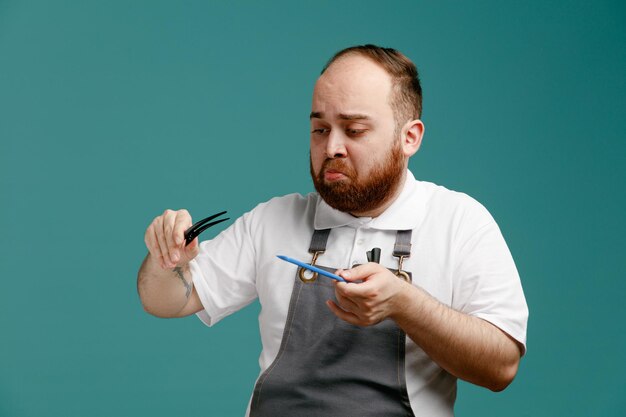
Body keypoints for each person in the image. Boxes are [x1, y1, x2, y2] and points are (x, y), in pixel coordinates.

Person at [137, 44, 528, 417]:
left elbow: (501, 366)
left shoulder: (459, 222)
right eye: (320, 129)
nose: (331, 148)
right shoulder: (274, 219)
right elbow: (167, 299)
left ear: (410, 137)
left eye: (354, 130)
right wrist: (165, 259)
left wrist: (404, 304)